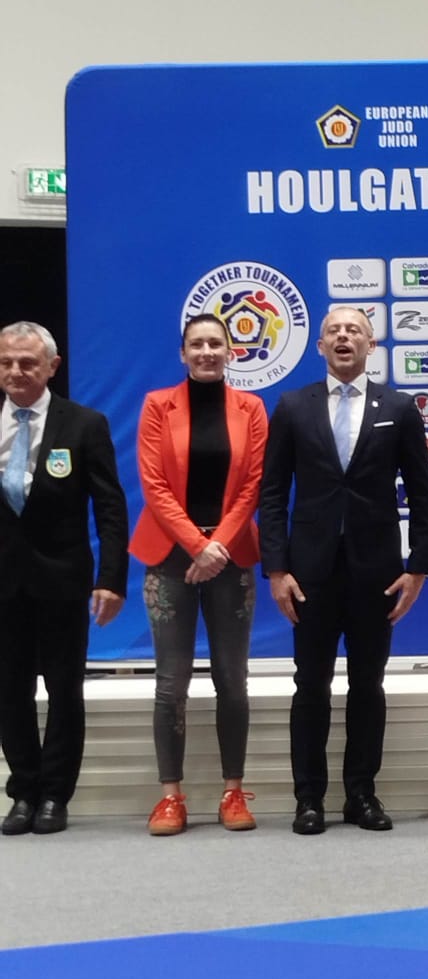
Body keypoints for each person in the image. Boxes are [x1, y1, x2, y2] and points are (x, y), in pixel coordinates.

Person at [259, 308, 428, 833]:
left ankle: (361, 795)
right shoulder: (293, 406)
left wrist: (418, 568)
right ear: (320, 346)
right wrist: (276, 569)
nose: (343, 337)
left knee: (367, 685)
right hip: (308, 573)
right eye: (334, 331)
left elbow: (422, 494)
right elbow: (273, 494)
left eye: (354, 330)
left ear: (371, 344)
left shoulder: (399, 408)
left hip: (375, 571)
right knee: (310, 686)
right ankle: (308, 799)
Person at [130, 315, 268, 835]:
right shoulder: (156, 406)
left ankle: (233, 791)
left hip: (230, 556)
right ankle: (171, 797)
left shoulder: (251, 408)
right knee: (171, 681)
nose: (206, 351)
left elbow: (253, 484)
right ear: (182, 353)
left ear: (231, 352)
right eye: (197, 344)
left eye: (215, 343)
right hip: (170, 555)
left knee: (232, 678)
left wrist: (217, 546)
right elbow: (153, 484)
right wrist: (197, 545)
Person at [0, 322, 128, 835]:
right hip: (3, 583)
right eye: (6, 362)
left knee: (63, 689)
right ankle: (23, 791)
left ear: (52, 366)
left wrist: (111, 579)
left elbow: (111, 508)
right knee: (9, 690)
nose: (15, 371)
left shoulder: (84, 424)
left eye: (27, 363)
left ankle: (55, 794)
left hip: (62, 579)